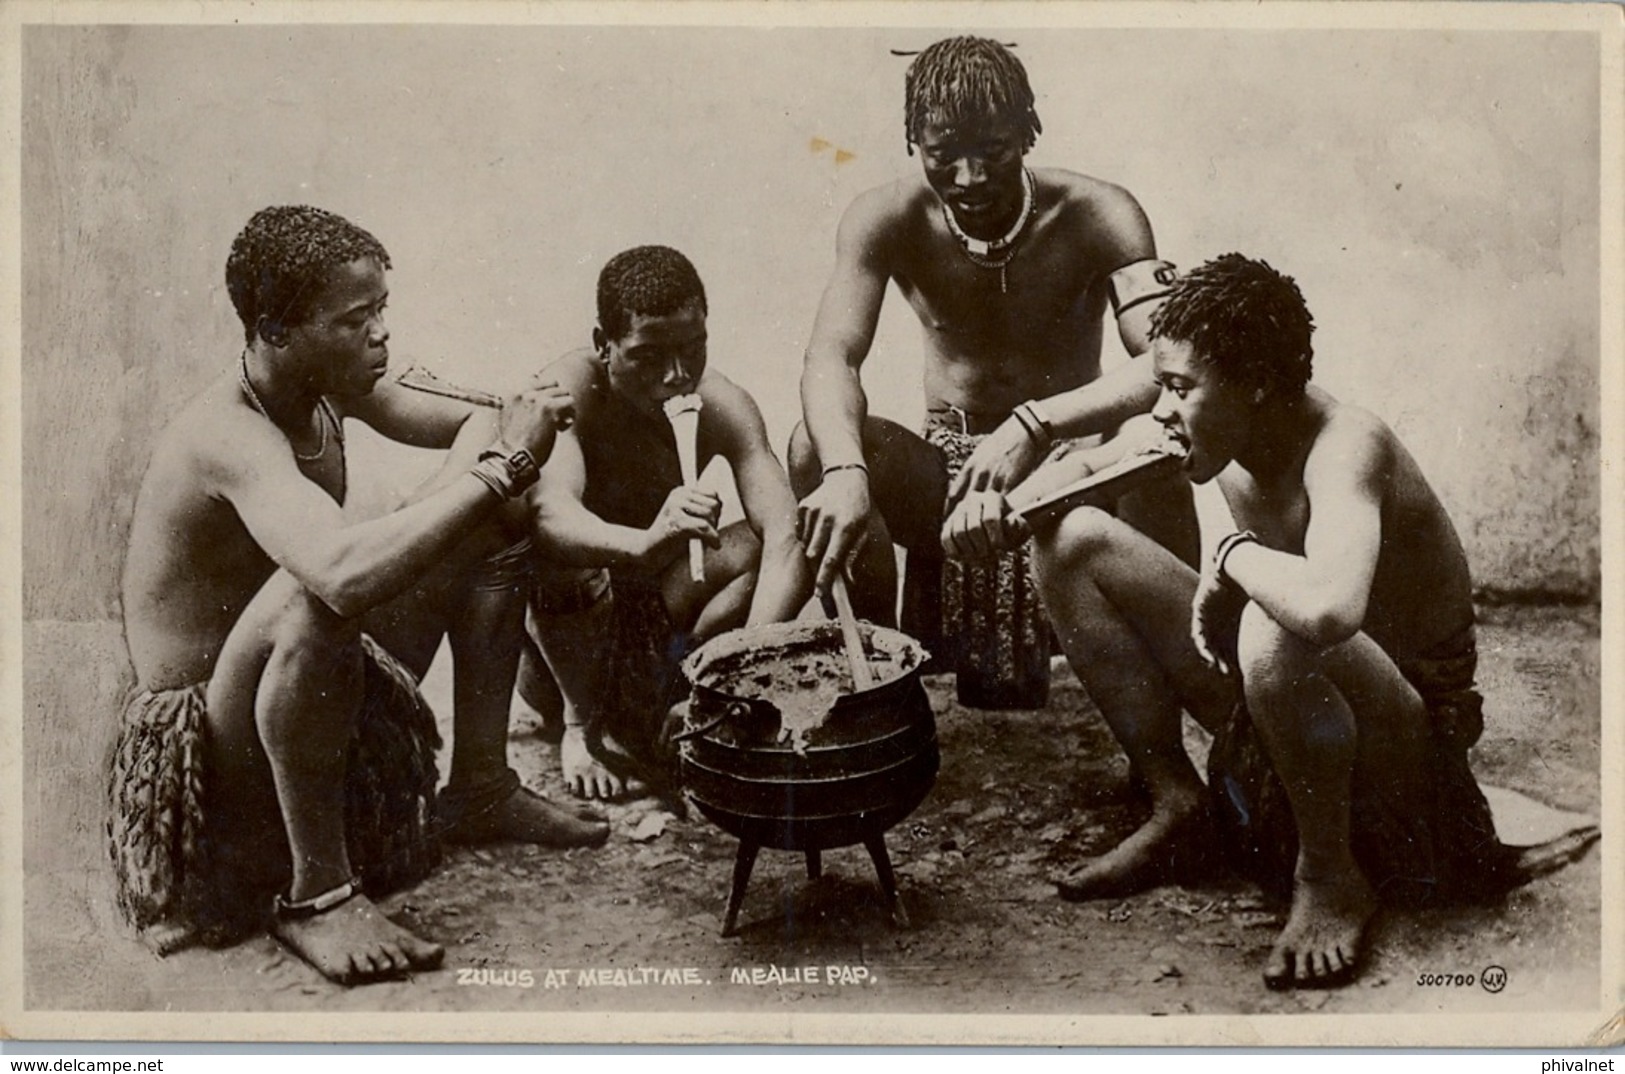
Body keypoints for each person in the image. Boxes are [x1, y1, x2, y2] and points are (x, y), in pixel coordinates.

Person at [959, 253, 1537, 989]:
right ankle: (1179, 803)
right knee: (1071, 543)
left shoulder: (1345, 446)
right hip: (1288, 718)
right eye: (1161, 385)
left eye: (1178, 390)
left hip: (1403, 753)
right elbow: (1114, 429)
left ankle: (1329, 875)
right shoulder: (1216, 413)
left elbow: (1328, 610)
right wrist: (994, 509)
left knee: (1276, 619)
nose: (1161, 407)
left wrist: (1229, 558)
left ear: (1256, 382)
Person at [109, 205, 606, 988]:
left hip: (293, 689)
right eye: (355, 319)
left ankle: (479, 786)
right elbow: (340, 574)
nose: (380, 334)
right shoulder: (227, 434)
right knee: (323, 587)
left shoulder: (326, 384)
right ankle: (317, 895)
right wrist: (502, 462)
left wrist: (518, 422)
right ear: (276, 329)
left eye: (382, 311)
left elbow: (481, 423)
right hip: (209, 748)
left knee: (492, 522)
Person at [791, 35, 1196, 693]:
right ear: (913, 142)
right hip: (948, 475)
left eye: (993, 152)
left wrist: (1036, 424)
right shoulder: (883, 218)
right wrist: (842, 472)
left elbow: (1169, 360)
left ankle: (1175, 699)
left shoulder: (1101, 213)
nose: (970, 179)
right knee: (818, 445)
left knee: (1157, 451)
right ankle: (877, 693)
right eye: (943, 156)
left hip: (1071, 467)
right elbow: (829, 356)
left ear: (1027, 133)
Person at [518, 245, 813, 799]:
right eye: (649, 356)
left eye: (692, 350)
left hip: (657, 624)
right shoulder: (567, 391)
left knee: (775, 542)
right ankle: (586, 728)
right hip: (572, 648)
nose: (677, 376)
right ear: (603, 345)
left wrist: (745, 666)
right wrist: (644, 543)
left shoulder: (721, 402)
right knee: (550, 553)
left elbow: (784, 531)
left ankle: (706, 691)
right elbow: (551, 517)